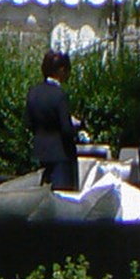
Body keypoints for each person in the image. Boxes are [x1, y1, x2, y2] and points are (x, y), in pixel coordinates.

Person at [25, 49, 83, 190]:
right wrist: (76, 127)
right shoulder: (59, 95)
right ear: (61, 70)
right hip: (60, 153)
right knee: (62, 195)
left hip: (39, 152)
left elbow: (28, 122)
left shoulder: (33, 92)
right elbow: (66, 129)